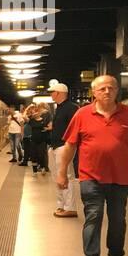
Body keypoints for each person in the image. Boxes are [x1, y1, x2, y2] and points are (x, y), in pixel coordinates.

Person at [56, 74, 128, 256]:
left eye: (111, 88)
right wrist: (62, 172)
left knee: (118, 220)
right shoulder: (82, 114)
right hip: (90, 177)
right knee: (93, 216)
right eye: (102, 89)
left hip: (121, 178)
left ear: (117, 90)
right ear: (94, 92)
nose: (107, 91)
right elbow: (70, 146)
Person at [46, 80, 78, 217]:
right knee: (57, 177)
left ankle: (70, 207)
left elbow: (75, 128)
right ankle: (61, 205)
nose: (51, 95)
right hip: (55, 147)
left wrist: (68, 145)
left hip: (64, 146)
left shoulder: (71, 108)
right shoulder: (59, 108)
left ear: (58, 93)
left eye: (52, 92)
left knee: (66, 176)